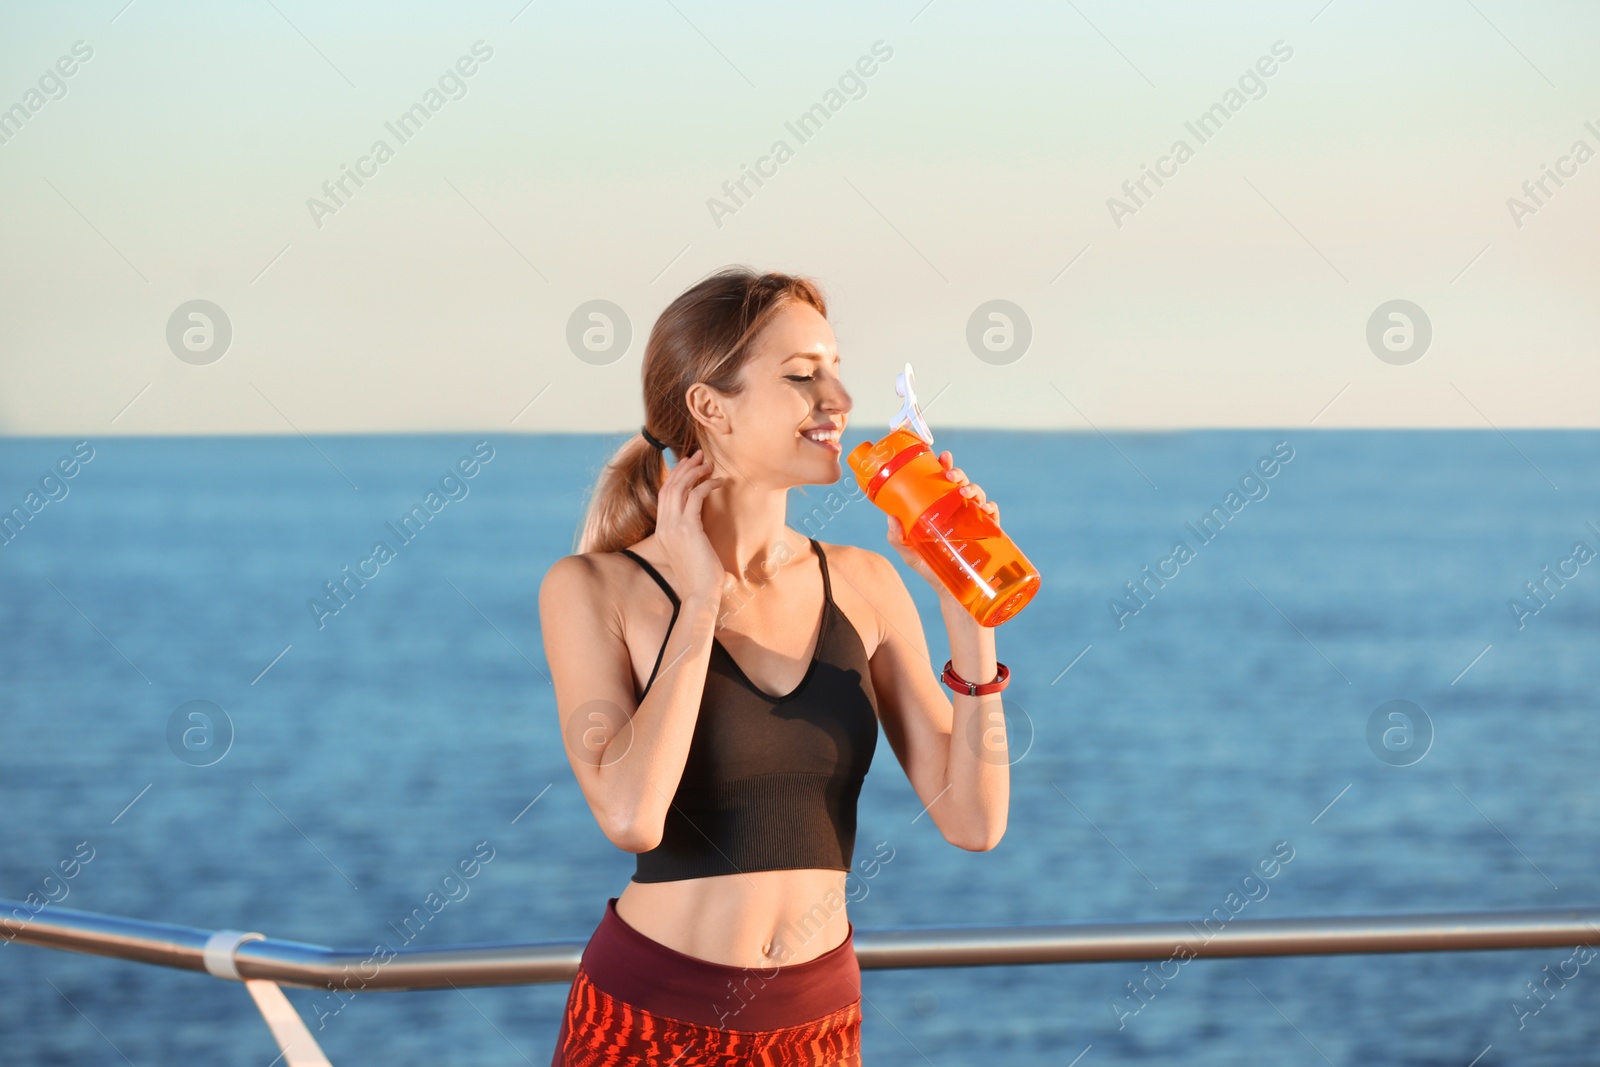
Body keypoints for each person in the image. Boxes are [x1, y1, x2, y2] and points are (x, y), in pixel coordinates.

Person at [539, 266, 1011, 1065]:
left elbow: (974, 820)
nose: (838, 398)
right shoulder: (594, 588)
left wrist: (965, 603)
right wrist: (698, 599)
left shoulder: (864, 582)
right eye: (801, 376)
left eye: (832, 368)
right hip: (652, 1022)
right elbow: (630, 816)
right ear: (708, 406)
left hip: (818, 1023)